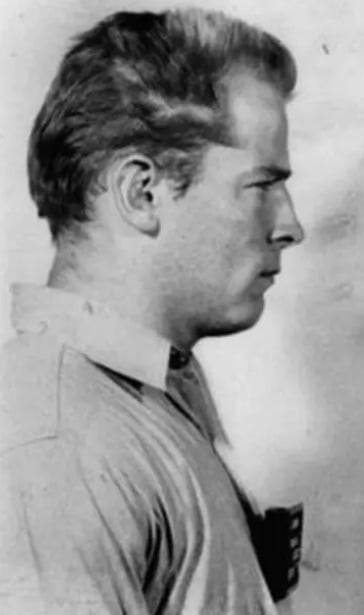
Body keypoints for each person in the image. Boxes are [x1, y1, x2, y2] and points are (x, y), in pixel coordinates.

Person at [0, 8, 305, 614]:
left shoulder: (137, 402)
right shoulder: (58, 444)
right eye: (261, 186)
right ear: (142, 193)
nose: (291, 225)